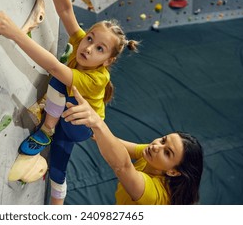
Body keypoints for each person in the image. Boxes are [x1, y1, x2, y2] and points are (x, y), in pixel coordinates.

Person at [0, 0, 139, 205]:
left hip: (80, 127)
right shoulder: (82, 45)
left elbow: (56, 69)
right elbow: (66, 11)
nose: (88, 48)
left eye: (99, 48)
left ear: (109, 60)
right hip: (66, 121)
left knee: (59, 76)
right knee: (58, 168)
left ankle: (47, 128)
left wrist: (14, 32)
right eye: (90, 38)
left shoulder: (97, 78)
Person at [62, 86, 204, 205]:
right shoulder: (152, 154)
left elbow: (122, 166)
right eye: (163, 140)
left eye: (167, 153)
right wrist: (90, 124)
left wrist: (97, 122)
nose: (156, 146)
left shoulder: (155, 195)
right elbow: (116, 143)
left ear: (173, 172)